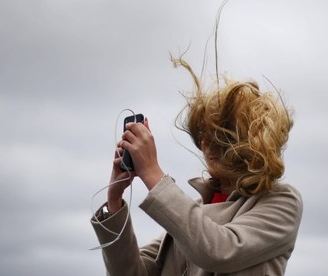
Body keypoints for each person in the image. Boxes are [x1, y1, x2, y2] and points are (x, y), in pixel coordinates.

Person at [90, 58, 303, 275]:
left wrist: (152, 173)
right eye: (204, 135)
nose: (206, 144)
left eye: (220, 135)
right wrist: (114, 201)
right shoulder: (194, 210)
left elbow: (219, 251)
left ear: (254, 141)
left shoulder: (281, 201)